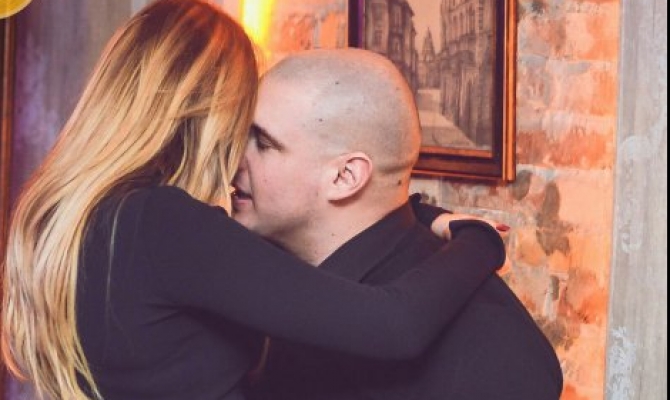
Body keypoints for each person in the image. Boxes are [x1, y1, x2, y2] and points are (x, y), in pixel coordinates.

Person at [0, 1, 506, 400]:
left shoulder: (81, 215)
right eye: (247, 127)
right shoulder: (169, 226)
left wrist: (417, 212)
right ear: (212, 110)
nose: (242, 149)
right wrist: (481, 239)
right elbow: (394, 327)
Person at [238, 49, 564, 400]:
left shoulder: (489, 352)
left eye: (263, 144)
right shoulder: (256, 262)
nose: (234, 157)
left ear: (345, 176)